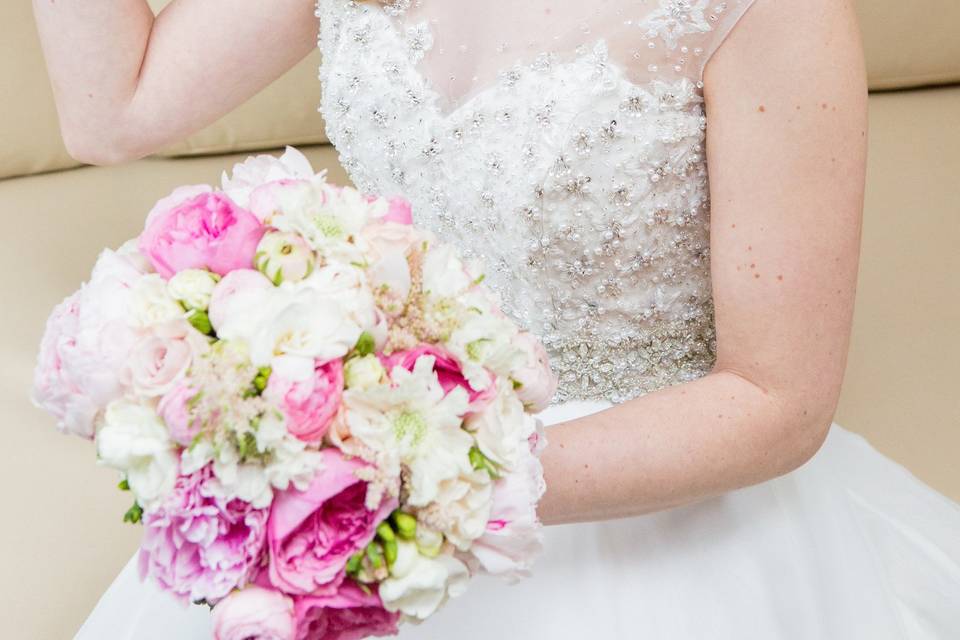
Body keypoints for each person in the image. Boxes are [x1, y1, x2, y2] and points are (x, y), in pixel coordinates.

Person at [33, 0, 960, 637]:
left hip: (638, 500)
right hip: (370, 459)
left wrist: (421, 483)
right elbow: (112, 112)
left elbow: (776, 395)